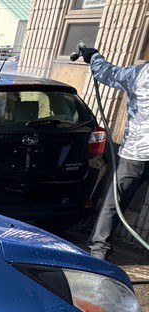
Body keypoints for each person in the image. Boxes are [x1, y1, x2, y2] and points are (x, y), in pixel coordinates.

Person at [79, 45, 149, 260]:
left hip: (135, 154)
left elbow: (106, 73)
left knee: (113, 204)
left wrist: (93, 56)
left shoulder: (141, 74)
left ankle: (98, 254)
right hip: (135, 153)